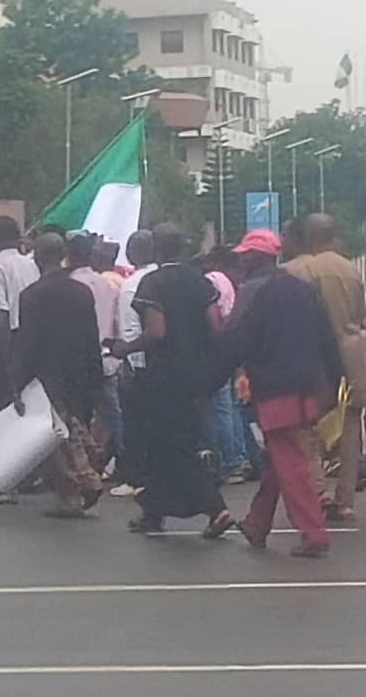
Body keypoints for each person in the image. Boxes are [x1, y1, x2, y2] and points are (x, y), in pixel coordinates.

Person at [221, 230, 341, 558]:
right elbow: (326, 337)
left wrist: (208, 379)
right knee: (280, 456)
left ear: (257, 258)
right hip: (307, 383)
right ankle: (257, 523)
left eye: (246, 255)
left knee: (290, 461)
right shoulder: (302, 289)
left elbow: (234, 341)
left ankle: (314, 534)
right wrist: (334, 380)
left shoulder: (252, 291)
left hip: (275, 386)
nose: (241, 260)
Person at [111, 223, 233, 538]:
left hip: (164, 376)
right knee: (168, 444)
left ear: (155, 249)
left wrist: (126, 348)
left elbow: (157, 331)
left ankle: (216, 508)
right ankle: (153, 511)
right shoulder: (200, 281)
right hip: (198, 374)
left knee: (172, 446)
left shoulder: (153, 283)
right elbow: (216, 328)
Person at [11, 233, 104, 518]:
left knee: (52, 439)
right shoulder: (81, 292)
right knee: (74, 428)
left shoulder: (31, 296)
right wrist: (95, 378)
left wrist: (17, 383)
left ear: (38, 257)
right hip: (79, 372)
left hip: (46, 376)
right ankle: (82, 481)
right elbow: (92, 337)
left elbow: (27, 343)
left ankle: (75, 489)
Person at [291, 214, 366, 522]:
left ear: (308, 236)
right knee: (349, 430)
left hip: (318, 358)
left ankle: (318, 492)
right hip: (354, 356)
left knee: (309, 428)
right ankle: (345, 500)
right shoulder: (351, 269)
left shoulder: (303, 269)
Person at [0, 216, 40, 504]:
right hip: (31, 339)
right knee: (24, 412)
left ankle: (3, 482)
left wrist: (7, 361)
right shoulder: (31, 263)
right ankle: (27, 474)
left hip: (4, 343)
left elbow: (0, 316)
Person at [68, 231, 121, 475]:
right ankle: (123, 461)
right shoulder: (106, 284)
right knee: (113, 416)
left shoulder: (71, 285)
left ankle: (85, 466)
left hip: (78, 361)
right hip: (107, 357)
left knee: (79, 416)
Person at [111, 230, 157, 496]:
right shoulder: (161, 278)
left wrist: (127, 358)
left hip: (138, 362)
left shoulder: (132, 285)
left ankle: (135, 478)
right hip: (165, 360)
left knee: (135, 422)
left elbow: (130, 328)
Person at [201, 246, 246, 485]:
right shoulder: (229, 283)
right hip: (230, 344)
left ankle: (229, 459)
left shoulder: (213, 280)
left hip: (215, 348)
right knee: (230, 406)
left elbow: (213, 316)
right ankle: (238, 457)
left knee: (219, 407)